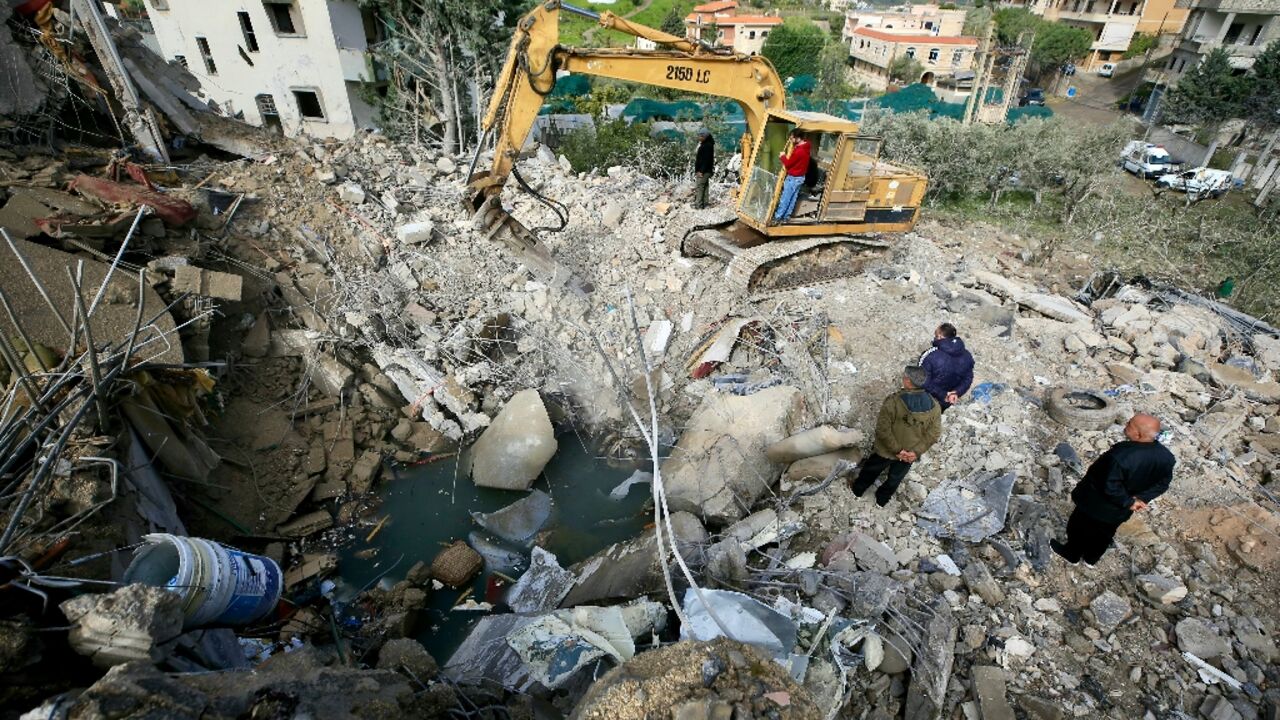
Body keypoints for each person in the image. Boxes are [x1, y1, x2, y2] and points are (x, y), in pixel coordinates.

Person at [1051, 413, 1175, 566]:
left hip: (1095, 504)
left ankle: (1072, 554)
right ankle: (1091, 559)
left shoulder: (1120, 457)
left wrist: (1128, 501)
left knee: (1079, 527)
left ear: (1138, 434)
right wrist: (1140, 499)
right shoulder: (1166, 457)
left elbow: (1110, 485)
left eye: (1130, 424)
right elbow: (1163, 483)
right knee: (1105, 534)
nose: (1126, 423)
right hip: (1119, 511)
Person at [850, 365, 941, 507]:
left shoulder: (893, 402)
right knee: (895, 479)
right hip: (910, 454)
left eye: (905, 377)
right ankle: (881, 501)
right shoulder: (934, 406)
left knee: (871, 471)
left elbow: (883, 430)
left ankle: (857, 492)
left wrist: (897, 450)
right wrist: (915, 452)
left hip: (887, 451)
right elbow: (933, 434)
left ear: (908, 381)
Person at [918, 323, 975, 412]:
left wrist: (943, 394)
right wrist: (956, 392)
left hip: (927, 401)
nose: (934, 338)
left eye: (935, 335)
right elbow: (968, 378)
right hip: (948, 402)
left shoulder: (931, 354)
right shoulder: (967, 355)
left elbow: (921, 379)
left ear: (940, 336)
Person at [773, 130, 810, 223]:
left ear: (797, 138)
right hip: (801, 178)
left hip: (793, 178)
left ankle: (778, 217)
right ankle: (786, 218)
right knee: (792, 199)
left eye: (792, 138)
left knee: (785, 198)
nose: (790, 139)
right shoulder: (806, 147)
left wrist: (782, 156)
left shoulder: (799, 151)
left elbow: (788, 164)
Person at [693, 130, 715, 209]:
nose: (698, 137)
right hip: (707, 170)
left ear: (704, 137)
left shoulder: (706, 146)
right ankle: (705, 204)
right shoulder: (708, 144)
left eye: (700, 136)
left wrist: (701, 171)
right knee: (705, 187)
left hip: (704, 171)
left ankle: (698, 205)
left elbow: (706, 160)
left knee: (700, 187)